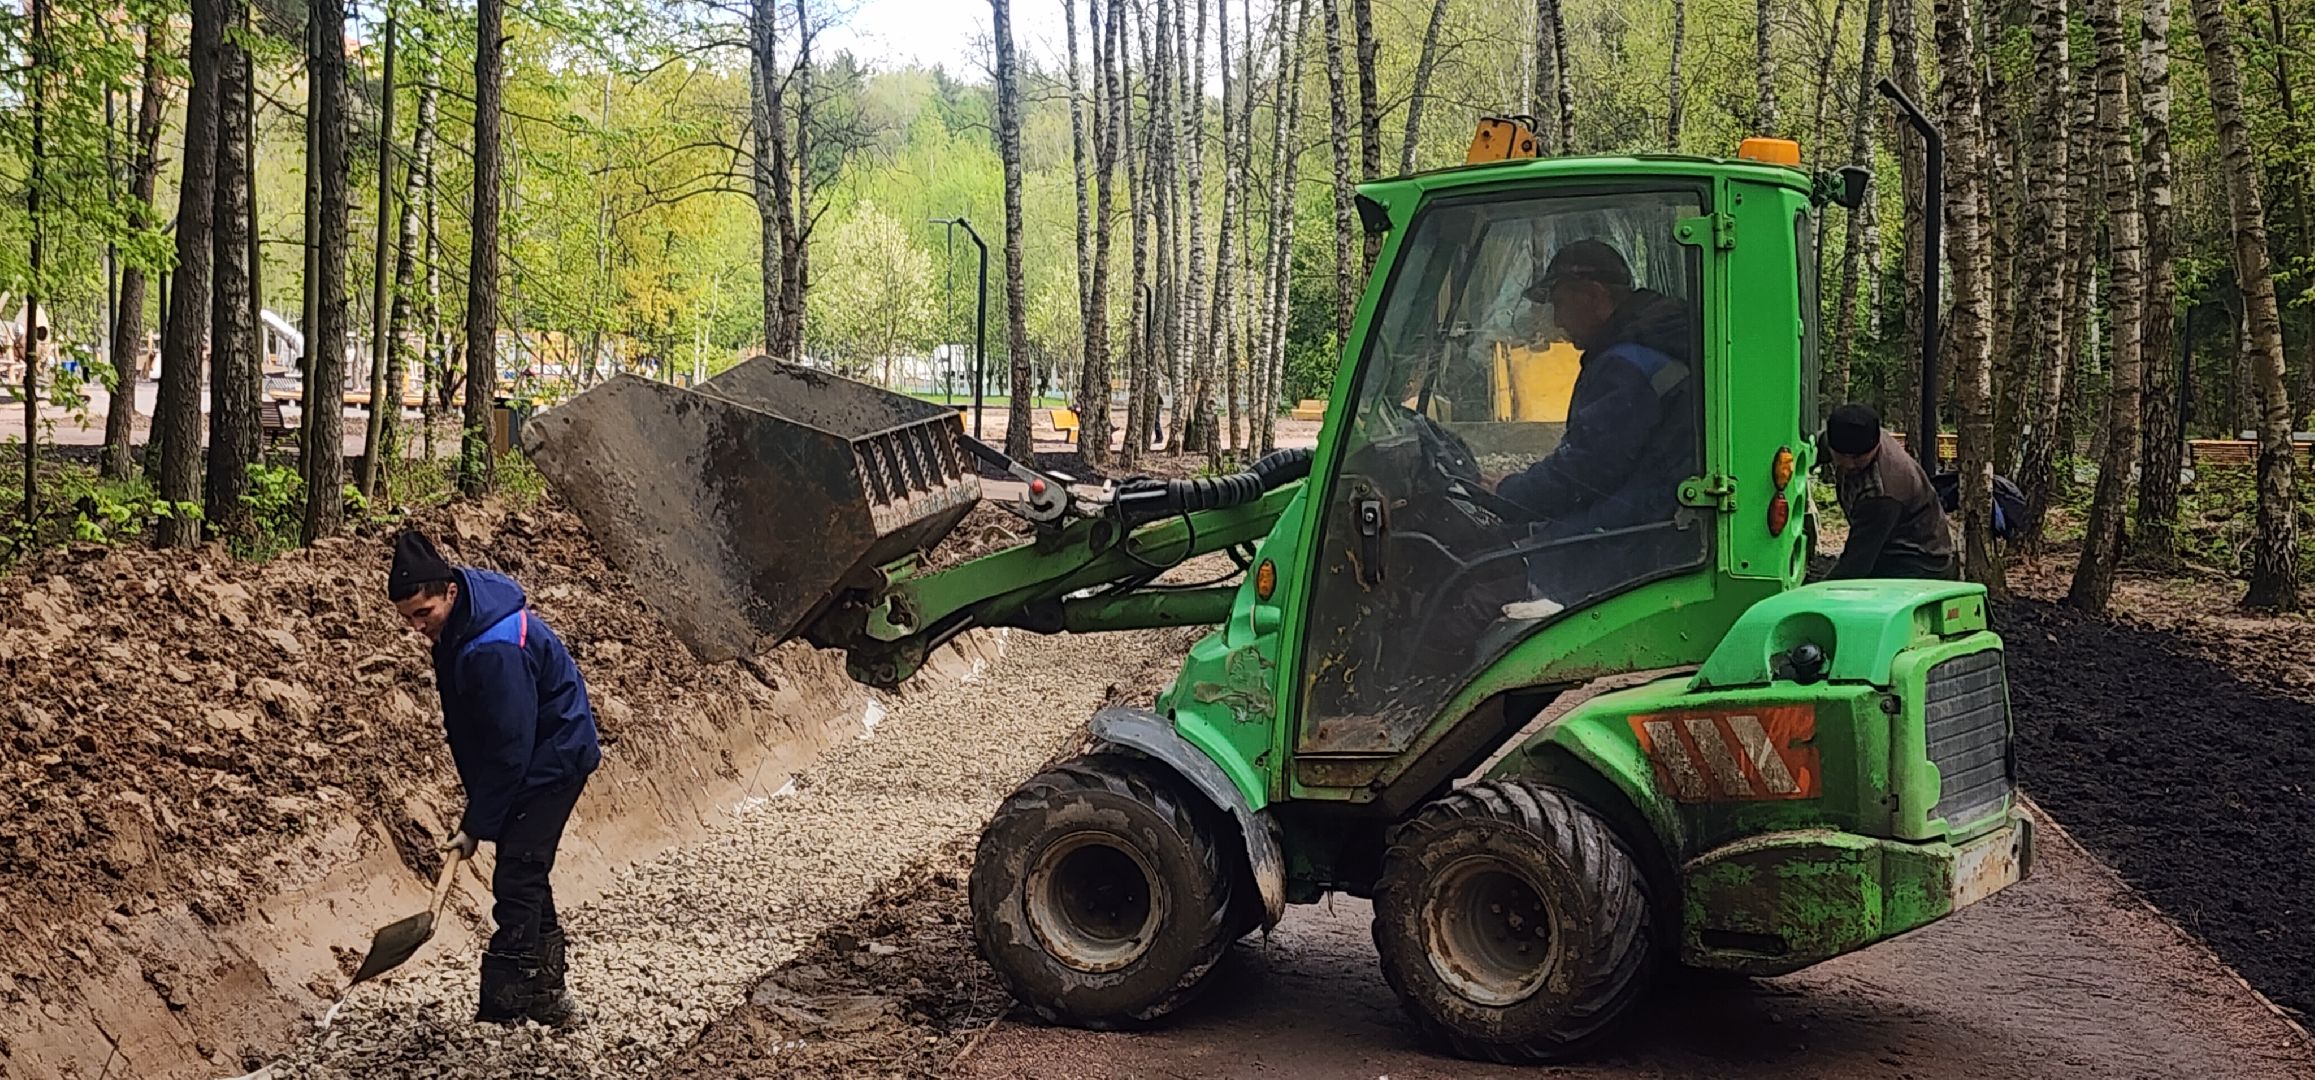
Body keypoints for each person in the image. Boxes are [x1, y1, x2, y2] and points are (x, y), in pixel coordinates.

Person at [389, 530, 601, 1027]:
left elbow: (510, 748)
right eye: (408, 619)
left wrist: (475, 823)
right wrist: (484, 812)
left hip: (555, 756)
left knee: (518, 874)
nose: (419, 628)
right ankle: (548, 994)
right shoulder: (460, 625)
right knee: (525, 868)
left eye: (425, 613)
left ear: (451, 592)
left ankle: (505, 1005)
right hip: (526, 755)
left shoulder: (493, 647)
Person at [1493, 239, 1699, 615]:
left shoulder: (1627, 363)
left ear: (1594, 295)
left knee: (1490, 580)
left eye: (1560, 304)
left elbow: (1583, 473)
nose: (1557, 321)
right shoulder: (1652, 345)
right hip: (1657, 525)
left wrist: (1507, 494)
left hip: (1635, 540)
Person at [1821, 403, 1959, 580]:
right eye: (1841, 455)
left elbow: (1854, 566)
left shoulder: (1882, 493)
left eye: (1858, 458)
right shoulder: (1849, 435)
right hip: (1885, 546)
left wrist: (1809, 596)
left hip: (1920, 562)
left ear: (1875, 445)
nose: (1848, 465)